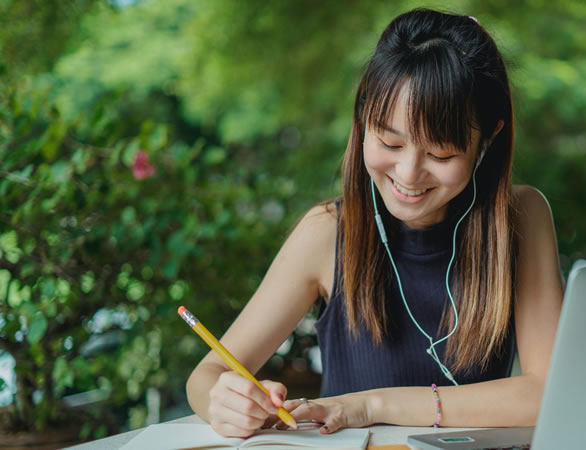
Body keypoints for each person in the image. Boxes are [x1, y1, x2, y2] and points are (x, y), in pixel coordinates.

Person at [186, 8, 564, 437]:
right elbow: (207, 374)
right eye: (389, 142)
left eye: (440, 155)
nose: (408, 174)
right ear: (363, 117)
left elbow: (546, 393)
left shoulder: (521, 218)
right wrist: (226, 401)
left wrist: (370, 404)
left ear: (488, 139)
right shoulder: (326, 232)